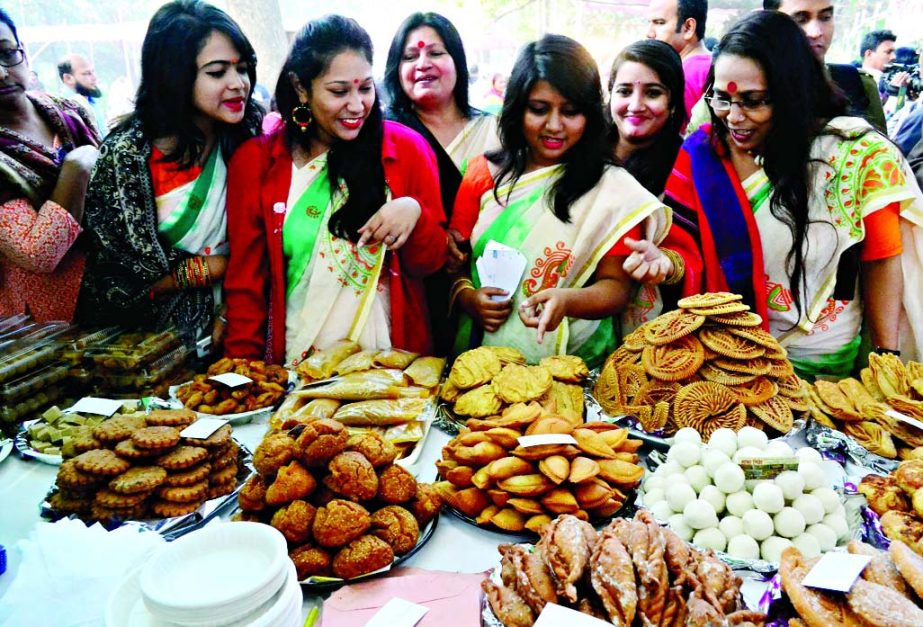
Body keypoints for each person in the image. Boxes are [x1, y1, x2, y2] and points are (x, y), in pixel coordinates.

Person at [664, 10, 923, 379]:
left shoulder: (854, 155)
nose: (734, 117)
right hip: (722, 360)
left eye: (753, 101)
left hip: (818, 367)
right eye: (722, 99)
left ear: (791, 92)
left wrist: (885, 356)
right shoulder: (702, 155)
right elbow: (681, 249)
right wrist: (662, 261)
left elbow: (881, 261)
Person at [223, 15, 447, 365]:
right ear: (300, 88)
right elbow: (246, 286)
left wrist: (414, 213)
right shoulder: (256, 163)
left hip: (390, 371)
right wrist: (244, 375)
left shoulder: (406, 149)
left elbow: (431, 264)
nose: (357, 106)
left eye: (366, 88)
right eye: (339, 91)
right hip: (298, 368)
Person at [449, 34, 676, 367]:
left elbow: (617, 287)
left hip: (576, 363)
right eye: (539, 110)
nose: (554, 126)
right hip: (482, 360)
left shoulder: (613, 190)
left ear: (590, 113)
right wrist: (469, 298)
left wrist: (568, 301)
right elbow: (455, 265)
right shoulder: (484, 173)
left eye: (570, 112)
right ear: (517, 108)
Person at [79, 0, 261, 349]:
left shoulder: (244, 142)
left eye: (243, 68)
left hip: (241, 329)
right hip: (149, 350)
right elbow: (125, 277)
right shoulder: (126, 156)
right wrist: (222, 265)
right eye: (217, 72)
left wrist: (229, 305)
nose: (239, 83)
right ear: (174, 76)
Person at [383, 12, 499, 355]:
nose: (423, 63)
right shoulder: (385, 133)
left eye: (435, 53)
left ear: (458, 62)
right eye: (410, 56)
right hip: (412, 286)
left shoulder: (495, 131)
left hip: (487, 284)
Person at [0, 8, 100, 321]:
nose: (1, 72)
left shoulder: (70, 112)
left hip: (119, 297)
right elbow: (39, 252)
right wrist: (77, 166)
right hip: (48, 324)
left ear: (24, 55)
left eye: (6, 54)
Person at [762, 0, 887, 133]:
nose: (815, 32)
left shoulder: (857, 84)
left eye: (825, 18)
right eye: (800, 20)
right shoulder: (752, 88)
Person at [608, 40, 685, 197]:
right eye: (624, 91)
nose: (635, 106)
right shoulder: (582, 147)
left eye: (653, 93)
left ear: (673, 102)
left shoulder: (682, 169)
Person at [646, 0, 710, 123]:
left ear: (688, 27)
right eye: (649, 23)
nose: (649, 33)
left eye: (659, 23)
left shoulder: (683, 75)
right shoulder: (715, 65)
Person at [58, 53, 106, 134]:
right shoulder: (63, 109)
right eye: (87, 73)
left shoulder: (92, 101)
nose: (94, 78)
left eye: (93, 72)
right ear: (68, 78)